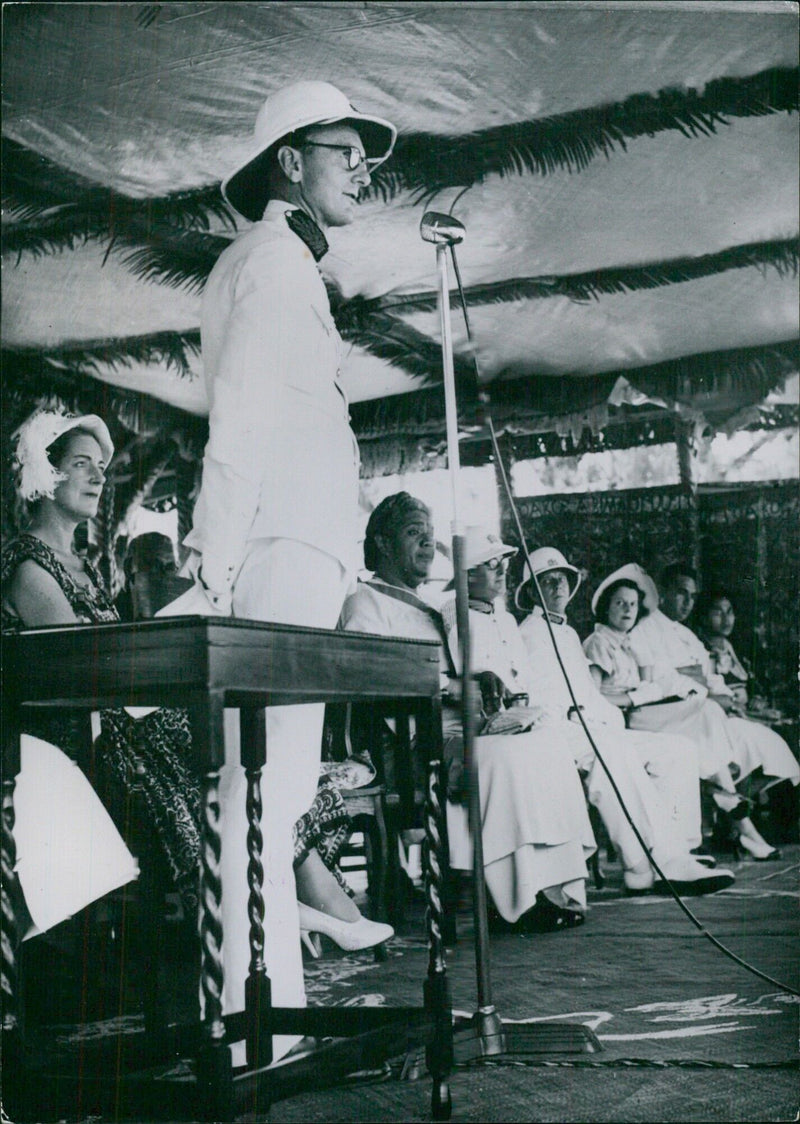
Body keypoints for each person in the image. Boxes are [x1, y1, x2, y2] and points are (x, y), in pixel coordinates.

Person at [173, 81, 397, 1060]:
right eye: (343, 151)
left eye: (362, 154)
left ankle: (265, 1015)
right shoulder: (270, 262)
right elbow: (241, 426)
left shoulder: (267, 261)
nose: (362, 168)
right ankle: (245, 1026)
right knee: (261, 792)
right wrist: (216, 568)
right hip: (277, 551)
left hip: (290, 549)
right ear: (290, 163)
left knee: (263, 792)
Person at [342, 495, 596, 932]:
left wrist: (480, 679)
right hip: (411, 744)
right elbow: (373, 681)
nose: (426, 543)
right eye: (412, 533)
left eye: (430, 534)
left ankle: (548, 887)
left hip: (460, 728)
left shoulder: (428, 608)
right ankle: (508, 900)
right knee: (507, 759)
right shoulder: (365, 603)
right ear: (382, 544)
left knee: (547, 745)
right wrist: (459, 687)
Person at [0, 409, 147, 940]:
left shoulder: (85, 563)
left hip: (107, 723)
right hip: (62, 736)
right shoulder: (28, 564)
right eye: (81, 463)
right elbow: (77, 669)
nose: (98, 477)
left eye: (100, 467)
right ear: (45, 473)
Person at [516, 548, 733, 895]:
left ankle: (677, 851)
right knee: (613, 754)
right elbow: (540, 701)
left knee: (676, 749)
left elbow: (589, 694)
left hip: (592, 728)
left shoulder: (569, 635)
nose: (558, 587)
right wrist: (584, 720)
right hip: (557, 734)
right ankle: (645, 862)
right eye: (548, 580)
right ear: (530, 591)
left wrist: (607, 719)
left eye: (564, 579)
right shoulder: (528, 635)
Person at [583, 565, 782, 861]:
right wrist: (641, 694)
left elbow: (655, 679)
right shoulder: (598, 642)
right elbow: (593, 697)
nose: (627, 610)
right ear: (605, 607)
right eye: (619, 604)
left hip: (645, 711)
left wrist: (675, 687)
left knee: (702, 719)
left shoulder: (628, 643)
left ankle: (715, 812)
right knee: (705, 713)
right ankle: (728, 804)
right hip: (627, 720)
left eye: (633, 604)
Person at [629, 565, 799, 806]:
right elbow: (658, 682)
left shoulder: (687, 636)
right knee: (712, 719)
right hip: (670, 716)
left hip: (701, 710)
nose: (688, 602)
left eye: (692, 596)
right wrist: (698, 685)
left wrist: (717, 692)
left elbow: (710, 678)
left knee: (761, 739)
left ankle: (733, 810)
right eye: (681, 593)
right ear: (663, 592)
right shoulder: (643, 631)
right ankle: (731, 810)